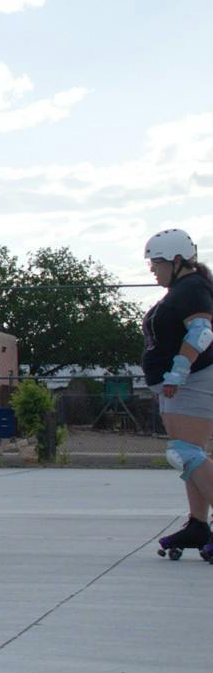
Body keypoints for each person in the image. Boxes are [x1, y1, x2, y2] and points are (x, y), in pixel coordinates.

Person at [140, 230, 213, 561]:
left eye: (156, 263)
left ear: (177, 261)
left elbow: (201, 331)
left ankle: (200, 522)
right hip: (180, 382)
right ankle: (198, 524)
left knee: (186, 453)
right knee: (189, 454)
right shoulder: (184, 288)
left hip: (191, 380)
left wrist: (178, 371)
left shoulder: (192, 287)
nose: (152, 269)